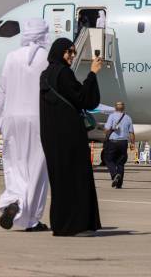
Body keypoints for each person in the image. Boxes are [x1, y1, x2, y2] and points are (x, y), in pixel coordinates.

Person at [39, 37, 103, 237]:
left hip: (51, 136)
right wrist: (92, 74)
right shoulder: (64, 73)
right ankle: (77, 225)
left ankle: (61, 224)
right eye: (69, 52)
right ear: (60, 52)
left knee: (60, 181)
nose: (71, 56)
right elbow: (83, 99)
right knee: (76, 179)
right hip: (69, 136)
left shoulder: (45, 75)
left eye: (73, 52)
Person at [0, 18, 51, 232]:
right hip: (38, 119)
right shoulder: (46, 58)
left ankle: (13, 201)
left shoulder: (11, 57)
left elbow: (2, 90)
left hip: (11, 118)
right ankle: (32, 219)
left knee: (15, 165)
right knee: (36, 170)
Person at [104, 101, 135, 189]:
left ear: (115, 107)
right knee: (121, 163)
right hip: (123, 143)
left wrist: (106, 129)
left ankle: (114, 174)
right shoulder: (128, 117)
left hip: (113, 142)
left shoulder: (112, 116)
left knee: (109, 160)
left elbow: (106, 130)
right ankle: (119, 184)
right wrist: (132, 143)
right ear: (123, 107)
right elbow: (131, 132)